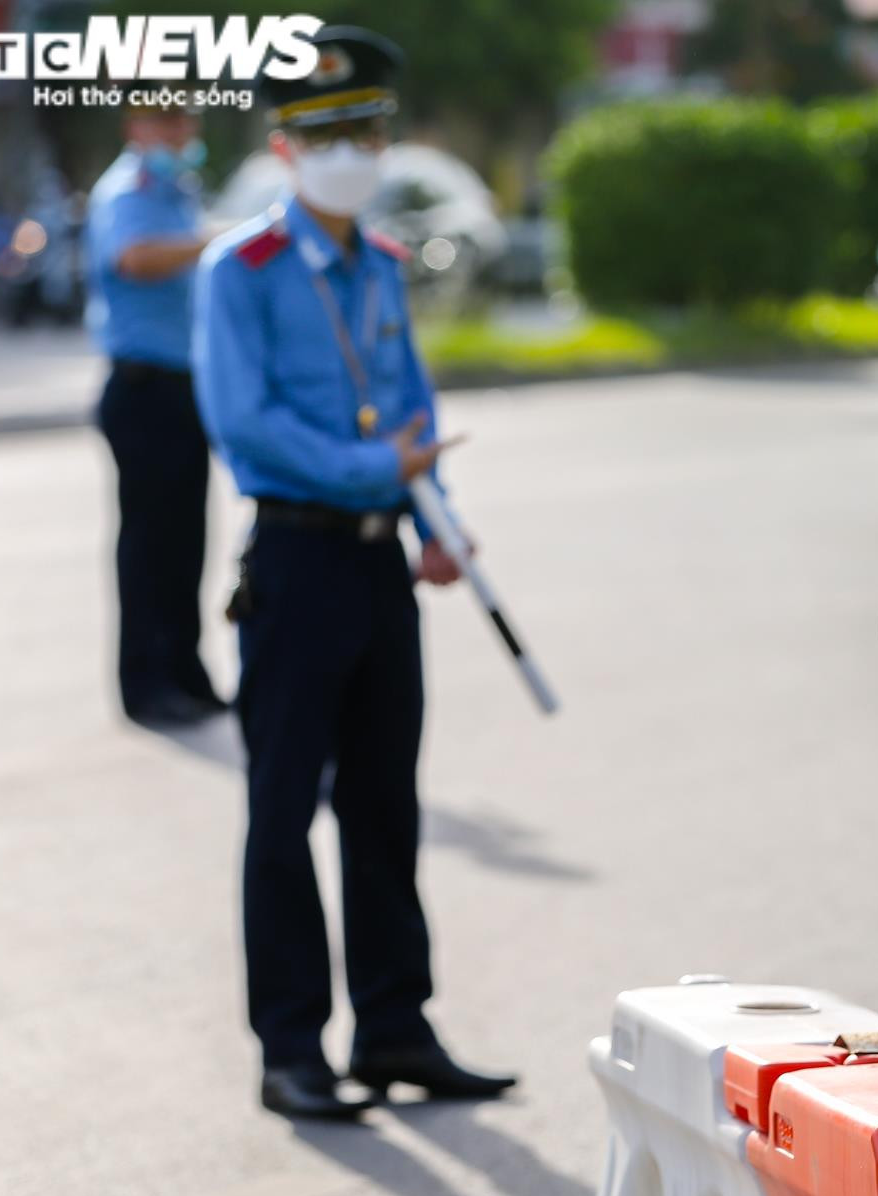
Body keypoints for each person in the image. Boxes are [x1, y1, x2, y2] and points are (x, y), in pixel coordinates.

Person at [193, 25, 516, 1120]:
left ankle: (393, 1027)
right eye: (324, 135)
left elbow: (412, 407)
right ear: (284, 147)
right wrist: (381, 467)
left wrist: (435, 516)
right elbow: (247, 427)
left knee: (385, 807)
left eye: (364, 130)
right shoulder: (240, 271)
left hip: (381, 566)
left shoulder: (379, 264)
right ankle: (291, 1046)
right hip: (293, 561)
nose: (349, 153)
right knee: (282, 810)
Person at [84, 90, 222, 727]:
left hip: (185, 386)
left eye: (185, 117)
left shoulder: (177, 191)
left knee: (187, 540)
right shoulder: (127, 189)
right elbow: (134, 258)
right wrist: (207, 243)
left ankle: (186, 673)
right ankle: (145, 685)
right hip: (143, 390)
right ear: (135, 124)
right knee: (149, 547)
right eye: (167, 119)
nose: (179, 131)